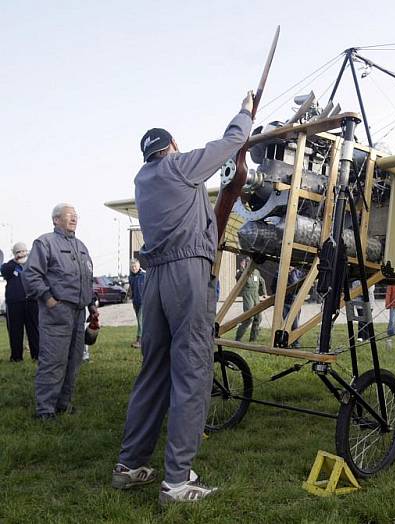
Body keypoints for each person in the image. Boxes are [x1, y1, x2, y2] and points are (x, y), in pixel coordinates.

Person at [112, 92, 253, 505]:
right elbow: (229, 144)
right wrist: (244, 113)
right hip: (186, 272)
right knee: (192, 368)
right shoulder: (178, 166)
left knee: (154, 370)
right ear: (171, 147)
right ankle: (177, 481)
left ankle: (130, 464)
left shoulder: (143, 180)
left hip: (154, 278)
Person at [23, 204, 97, 419]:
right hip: (57, 311)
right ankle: (45, 410)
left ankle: (63, 404)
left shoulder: (81, 246)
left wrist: (91, 304)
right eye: (68, 215)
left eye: (75, 215)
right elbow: (31, 274)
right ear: (55, 219)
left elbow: (88, 279)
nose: (73, 217)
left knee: (74, 360)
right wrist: (48, 298)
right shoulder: (45, 242)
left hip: (79, 311)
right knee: (53, 360)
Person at [2, 242, 39, 361]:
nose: (21, 254)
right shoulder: (9, 266)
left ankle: (37, 355)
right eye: (18, 252)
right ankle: (16, 357)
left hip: (31, 301)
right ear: (14, 254)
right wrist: (15, 262)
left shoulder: (32, 264)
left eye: (23, 251)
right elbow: (4, 271)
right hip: (15, 303)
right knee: (15, 331)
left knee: (33, 330)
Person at [235, 259, 267, 342]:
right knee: (249, 318)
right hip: (247, 294)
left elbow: (262, 281)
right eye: (248, 262)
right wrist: (242, 269)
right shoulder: (243, 272)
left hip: (255, 295)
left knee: (258, 317)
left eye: (251, 262)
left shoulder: (256, 272)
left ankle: (253, 339)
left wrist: (264, 293)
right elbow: (238, 278)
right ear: (246, 263)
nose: (250, 263)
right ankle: (238, 338)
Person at [128, 258, 146, 348]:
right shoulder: (130, 277)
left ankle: (139, 341)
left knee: (140, 320)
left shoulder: (144, 275)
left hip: (144, 301)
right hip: (136, 302)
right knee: (140, 322)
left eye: (135, 266)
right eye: (132, 267)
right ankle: (145, 339)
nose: (133, 268)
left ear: (139, 266)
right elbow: (131, 289)